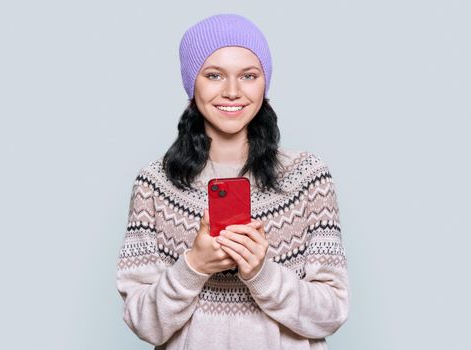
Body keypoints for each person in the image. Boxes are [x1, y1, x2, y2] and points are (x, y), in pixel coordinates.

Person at [116, 13, 349, 350]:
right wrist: (194, 266)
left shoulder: (308, 177)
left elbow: (331, 313)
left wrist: (261, 273)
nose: (232, 92)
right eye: (214, 75)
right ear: (191, 83)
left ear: (264, 83)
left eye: (249, 76)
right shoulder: (155, 183)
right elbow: (143, 323)